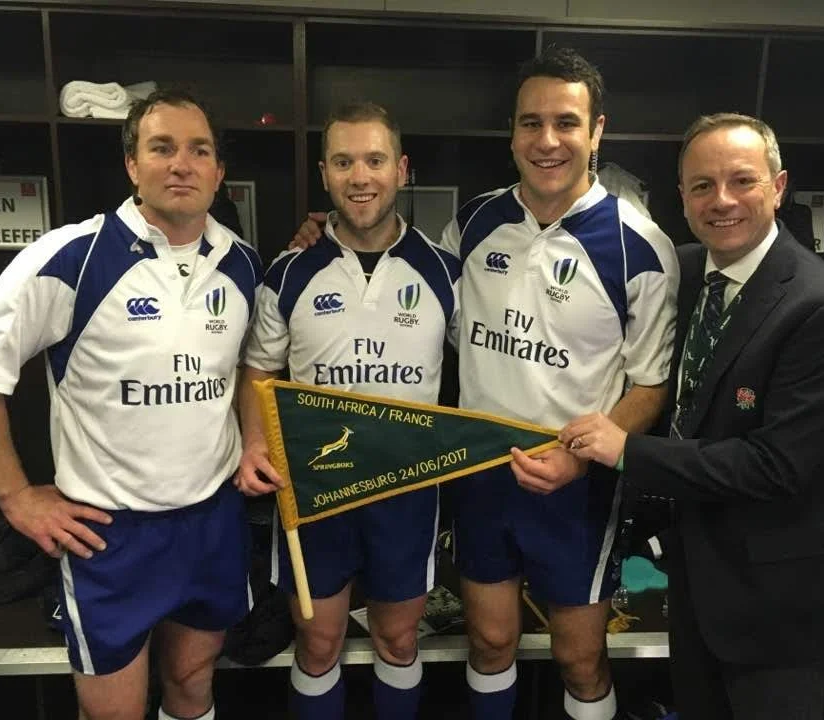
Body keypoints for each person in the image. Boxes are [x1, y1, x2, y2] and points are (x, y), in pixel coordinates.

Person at [291, 47, 680, 720]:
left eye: (566, 122)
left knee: (580, 658)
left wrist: (581, 455)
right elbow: (401, 278)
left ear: (596, 132)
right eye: (531, 123)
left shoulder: (641, 246)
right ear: (513, 134)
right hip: (480, 473)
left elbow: (650, 385)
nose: (547, 140)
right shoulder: (471, 226)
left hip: (577, 483)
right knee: (492, 641)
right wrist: (325, 241)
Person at [0, 88, 262, 720]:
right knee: (113, 712)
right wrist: (16, 497)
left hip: (212, 521)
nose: (182, 164)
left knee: (193, 684)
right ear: (131, 165)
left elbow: (245, 373)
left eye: (199, 150)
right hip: (111, 536)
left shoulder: (243, 264)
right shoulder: (71, 257)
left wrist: (252, 440)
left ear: (219, 172)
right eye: (162, 148)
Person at [560, 112, 824, 720]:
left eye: (742, 181)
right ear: (682, 197)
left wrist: (625, 449)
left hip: (777, 607)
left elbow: (776, 465)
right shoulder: (678, 271)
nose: (721, 200)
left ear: (778, 187)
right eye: (702, 185)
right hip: (695, 586)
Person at [236, 102, 460, 720]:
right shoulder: (289, 271)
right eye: (343, 162)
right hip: (316, 488)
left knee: (400, 639)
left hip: (407, 488)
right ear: (324, 173)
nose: (360, 177)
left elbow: (487, 363)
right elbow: (258, 372)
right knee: (318, 642)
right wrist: (254, 444)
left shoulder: (445, 272)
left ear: (401, 170)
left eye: (374, 160)